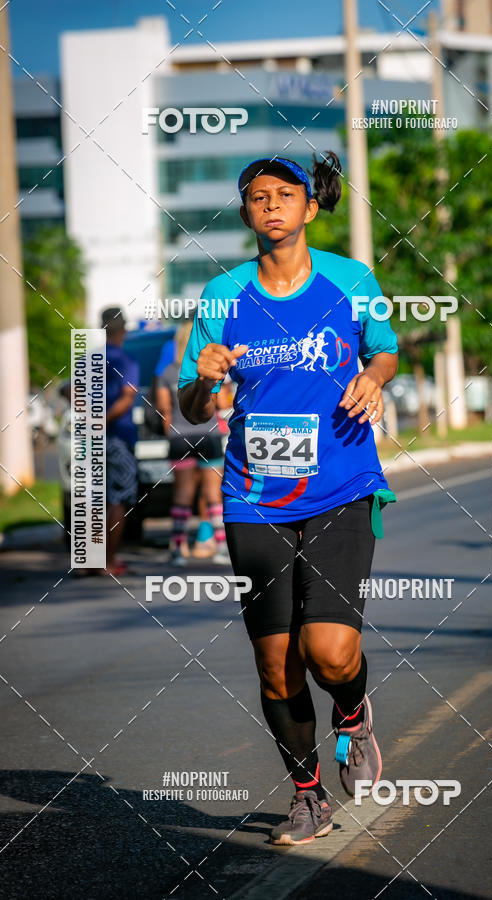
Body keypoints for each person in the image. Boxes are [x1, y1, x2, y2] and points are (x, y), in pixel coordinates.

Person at [178, 154, 398, 844]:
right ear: (245, 215)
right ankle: (306, 796)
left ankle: (354, 714)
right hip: (253, 496)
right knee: (276, 662)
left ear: (309, 206)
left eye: (284, 194)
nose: (270, 205)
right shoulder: (222, 297)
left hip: (340, 485)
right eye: (256, 197)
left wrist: (375, 374)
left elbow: (385, 347)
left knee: (329, 651)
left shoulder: (351, 280)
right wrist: (202, 378)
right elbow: (191, 404)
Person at [156, 321, 229, 565]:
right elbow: (220, 405)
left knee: (183, 495)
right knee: (213, 495)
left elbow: (164, 410)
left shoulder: (167, 372)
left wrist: (172, 434)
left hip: (179, 437)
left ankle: (178, 549)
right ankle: (220, 548)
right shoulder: (207, 370)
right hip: (209, 435)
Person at [103, 306, 139, 576]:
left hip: (90, 440)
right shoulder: (127, 361)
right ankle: (109, 561)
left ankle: (88, 564)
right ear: (123, 330)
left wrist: (89, 420)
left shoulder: (88, 360)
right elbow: (127, 397)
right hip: (117, 438)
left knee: (94, 498)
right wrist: (104, 420)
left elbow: (70, 390)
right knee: (116, 499)